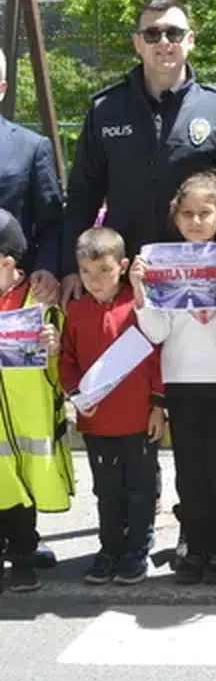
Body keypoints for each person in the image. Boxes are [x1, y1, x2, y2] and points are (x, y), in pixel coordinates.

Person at [62, 0, 216, 295]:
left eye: (174, 33)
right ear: (137, 43)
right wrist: (68, 267)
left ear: (190, 40)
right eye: (152, 34)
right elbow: (82, 195)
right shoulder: (106, 110)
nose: (163, 42)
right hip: (124, 279)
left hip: (204, 281)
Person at [130, 171, 216, 586]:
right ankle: (196, 546)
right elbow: (157, 331)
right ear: (176, 216)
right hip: (182, 380)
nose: (196, 221)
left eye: (205, 213)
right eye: (187, 213)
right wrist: (140, 293)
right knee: (192, 471)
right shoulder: (164, 261)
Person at [60, 227, 165, 587]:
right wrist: (75, 393)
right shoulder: (74, 311)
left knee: (140, 488)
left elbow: (157, 358)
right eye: (86, 273)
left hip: (138, 419)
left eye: (104, 271)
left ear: (122, 266)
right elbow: (67, 360)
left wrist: (158, 406)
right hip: (96, 421)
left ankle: (138, 547)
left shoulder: (137, 306)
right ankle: (109, 547)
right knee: (106, 489)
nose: (95, 280)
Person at [0, 211, 71, 593]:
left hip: (28, 425)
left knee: (21, 502)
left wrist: (53, 348)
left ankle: (24, 559)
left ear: (8, 262)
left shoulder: (37, 302)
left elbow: (59, 363)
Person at [0, 50, 62, 307]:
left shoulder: (32, 147)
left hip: (14, 297)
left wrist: (47, 267)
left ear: (1, 89)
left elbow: (53, 221)